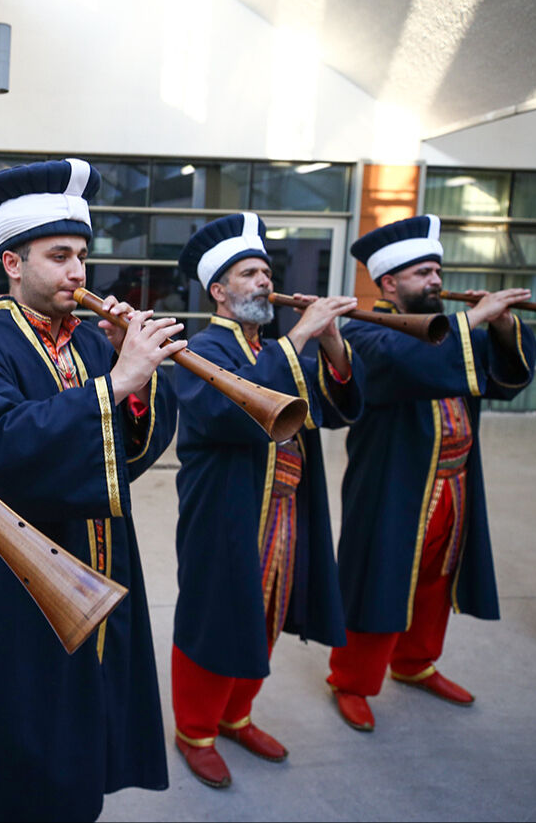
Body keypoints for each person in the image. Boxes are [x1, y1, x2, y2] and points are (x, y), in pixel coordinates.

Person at [0, 158, 183, 821]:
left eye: (82, 255)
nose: (79, 271)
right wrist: (117, 384)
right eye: (60, 256)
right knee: (16, 741)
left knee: (77, 737)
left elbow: (130, 455)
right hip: (11, 590)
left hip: (99, 565)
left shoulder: (95, 345)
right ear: (13, 264)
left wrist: (133, 375)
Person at [169, 213, 363, 789]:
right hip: (225, 510)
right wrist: (299, 338)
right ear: (218, 291)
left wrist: (330, 339)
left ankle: (236, 716)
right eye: (249, 273)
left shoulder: (272, 349)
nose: (263, 282)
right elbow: (228, 414)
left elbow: (334, 409)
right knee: (214, 614)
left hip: (284, 508)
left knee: (268, 610)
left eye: (267, 273)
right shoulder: (198, 348)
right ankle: (196, 731)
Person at [328, 214, 536, 731]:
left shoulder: (449, 329)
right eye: (422, 273)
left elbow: (500, 376)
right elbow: (409, 365)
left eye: (437, 271)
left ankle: (415, 662)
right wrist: (474, 320)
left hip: (455, 482)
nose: (436, 282)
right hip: (392, 483)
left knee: (435, 581)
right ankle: (352, 680)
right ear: (388, 284)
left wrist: (502, 326)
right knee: (380, 578)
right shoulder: (365, 330)